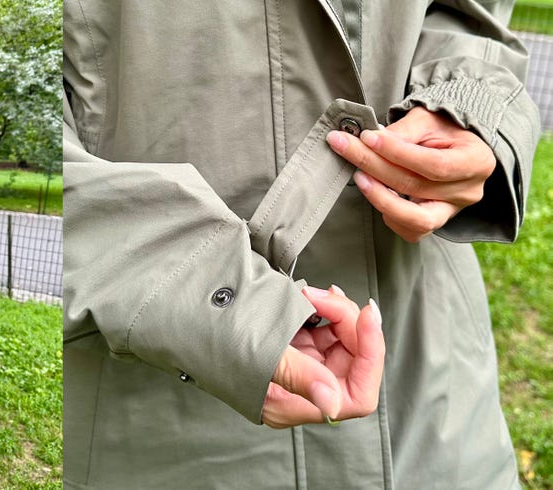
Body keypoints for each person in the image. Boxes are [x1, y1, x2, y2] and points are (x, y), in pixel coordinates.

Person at [63, 1, 540, 488]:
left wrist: (468, 105)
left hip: (436, 403)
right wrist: (224, 307)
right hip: (166, 429)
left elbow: (469, 15)